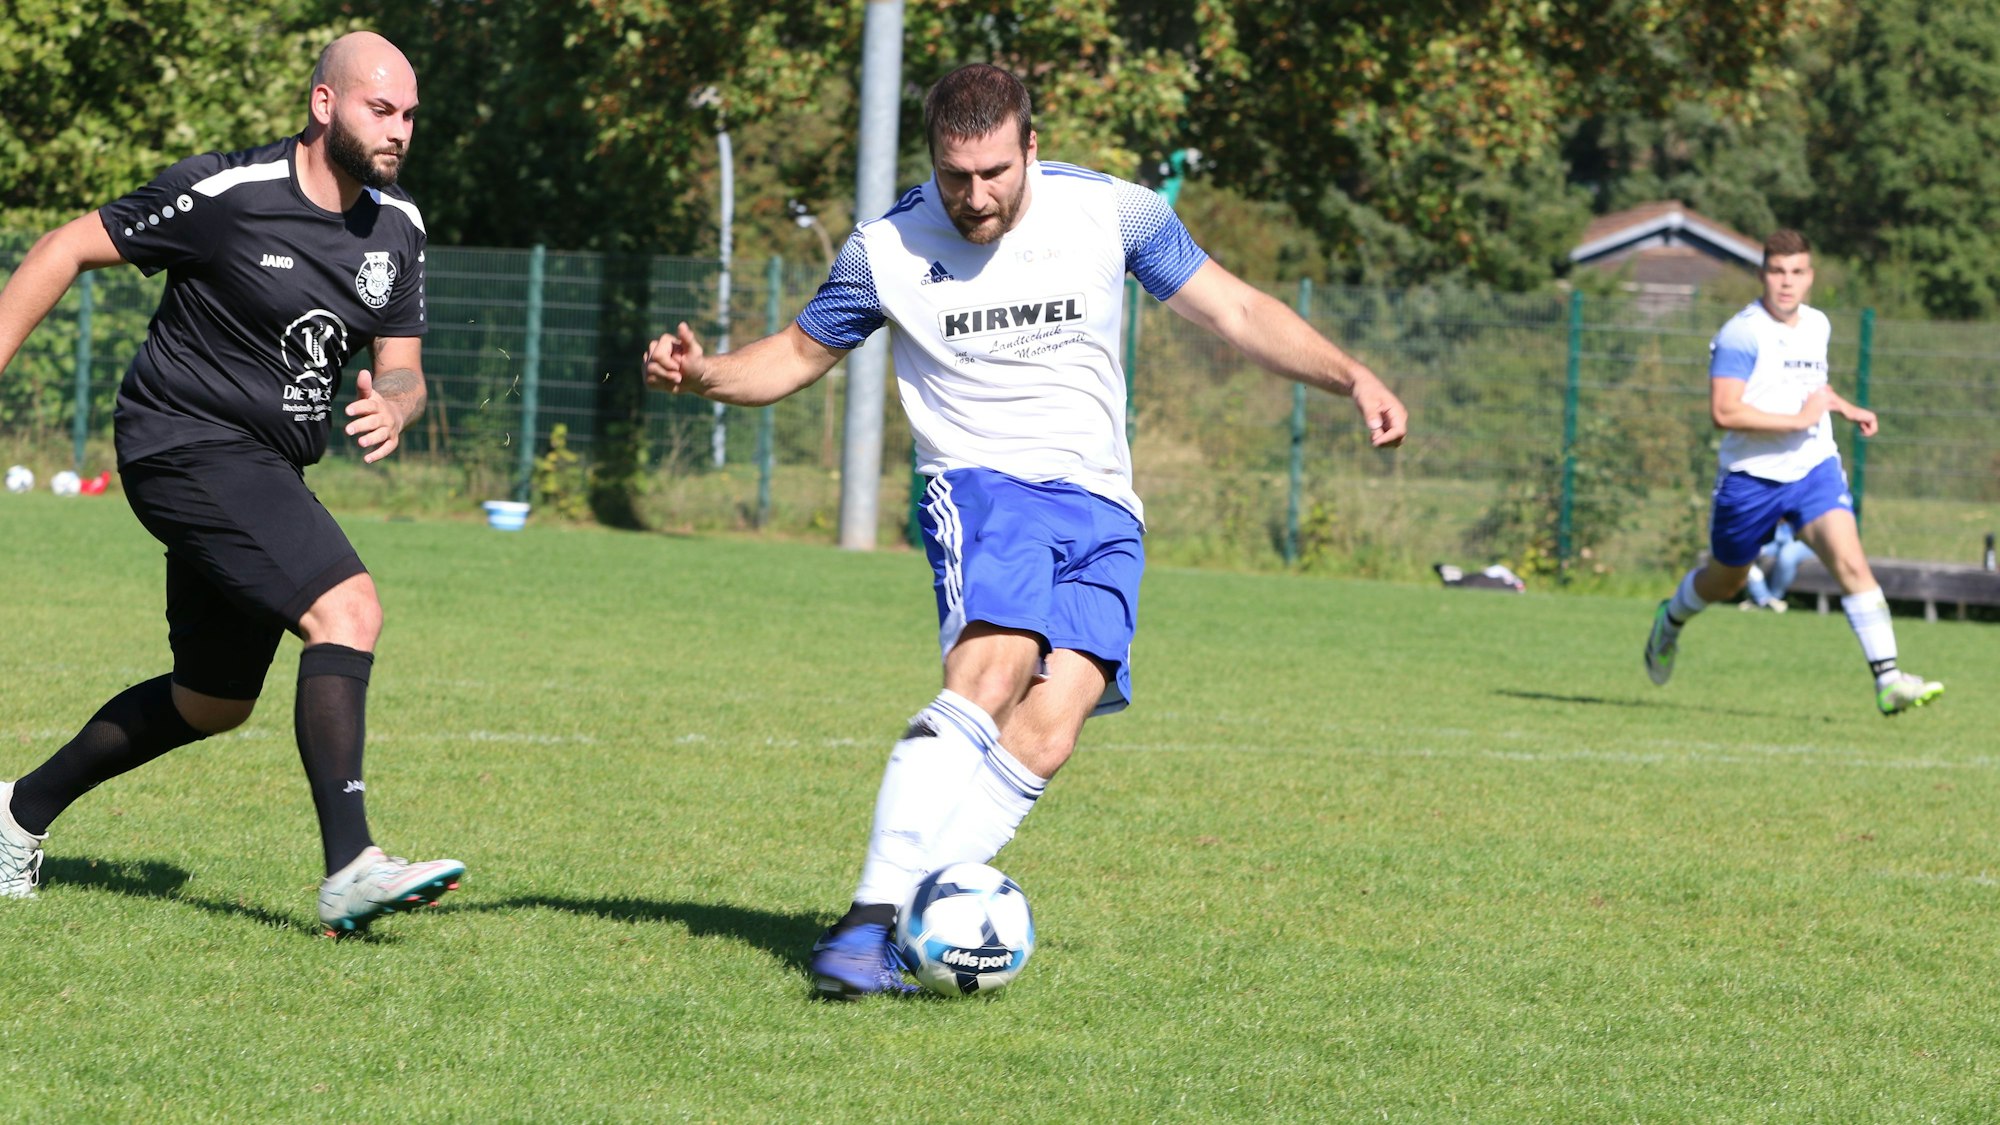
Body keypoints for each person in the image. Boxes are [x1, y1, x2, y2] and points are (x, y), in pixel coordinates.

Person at [643, 64, 1408, 998]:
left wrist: (1353, 378)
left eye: (996, 172)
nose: (975, 196)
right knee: (996, 665)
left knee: (1049, 729)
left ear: (1032, 147)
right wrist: (706, 373)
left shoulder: (1110, 213)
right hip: (981, 484)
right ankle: (866, 921)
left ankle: (915, 918)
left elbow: (1238, 309)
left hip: (1103, 508)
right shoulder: (886, 247)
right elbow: (798, 355)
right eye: (955, 175)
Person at [0, 32, 464, 931]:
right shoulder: (229, 193)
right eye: (381, 108)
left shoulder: (397, 226)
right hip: (183, 442)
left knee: (211, 700)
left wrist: (397, 405)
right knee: (349, 608)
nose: (400, 129)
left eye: (410, 114)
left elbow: (403, 366)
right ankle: (350, 866)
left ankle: (15, 811)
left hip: (267, 464)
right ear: (325, 104)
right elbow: (63, 247)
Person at [1642, 229, 1943, 715]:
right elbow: (1724, 412)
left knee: (1851, 563)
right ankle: (1670, 621)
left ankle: (1887, 680)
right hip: (1750, 478)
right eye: (1778, 272)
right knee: (1727, 581)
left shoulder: (1817, 324)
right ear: (1763, 274)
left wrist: (1843, 407)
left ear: (1810, 277)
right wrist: (1798, 420)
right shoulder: (1742, 333)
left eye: (1797, 272)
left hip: (1812, 467)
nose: (1787, 282)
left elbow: (1810, 387)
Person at [1739, 518, 1811, 611]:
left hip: (1801, 537)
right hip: (1774, 535)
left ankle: (1771, 599)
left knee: (1786, 557)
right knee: (1745, 552)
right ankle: (1764, 599)